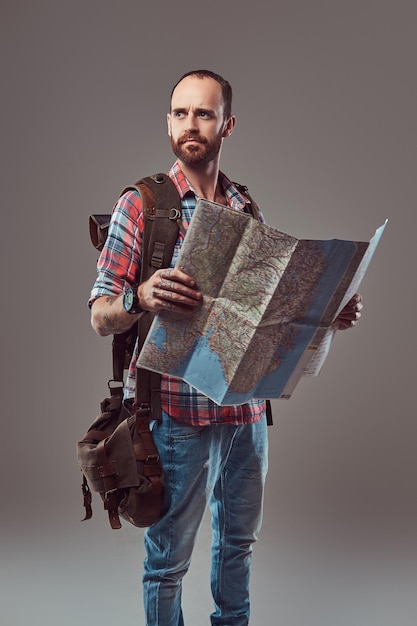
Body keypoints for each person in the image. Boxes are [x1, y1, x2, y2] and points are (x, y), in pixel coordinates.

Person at [89, 69, 363, 626]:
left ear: (227, 125)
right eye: (181, 112)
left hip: (246, 411)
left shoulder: (244, 206)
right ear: (168, 121)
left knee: (238, 545)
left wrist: (327, 315)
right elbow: (99, 315)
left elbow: (265, 314)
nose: (192, 124)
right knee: (169, 561)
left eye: (205, 113)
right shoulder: (141, 205)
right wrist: (139, 296)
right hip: (176, 414)